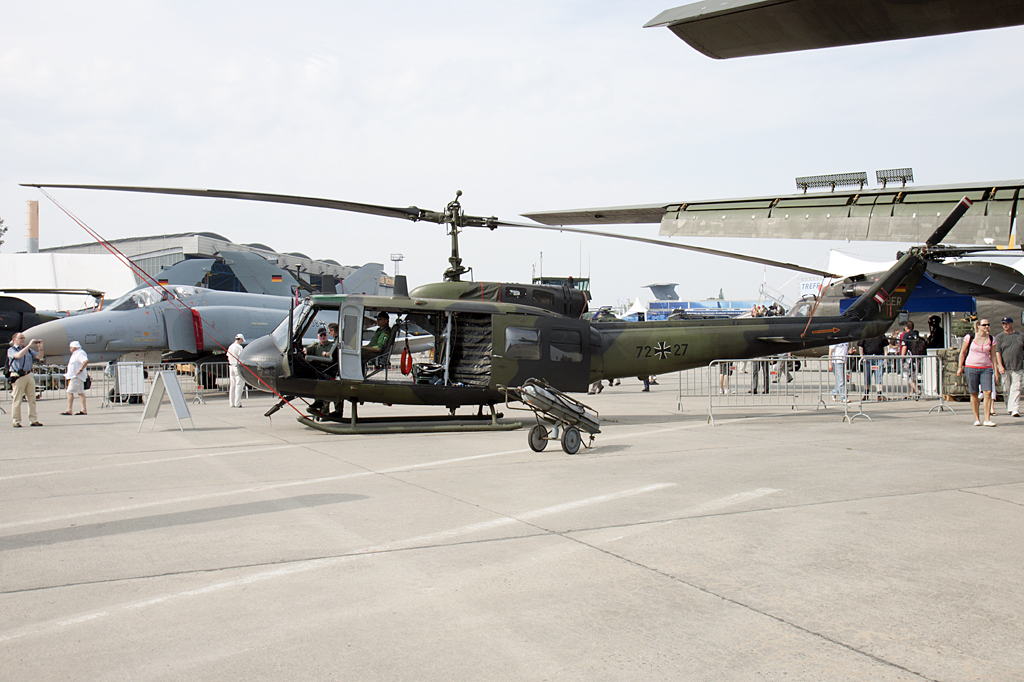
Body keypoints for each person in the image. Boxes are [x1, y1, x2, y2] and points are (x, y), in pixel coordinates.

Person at [957, 319, 1000, 426]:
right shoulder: (970, 337)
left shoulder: (991, 338)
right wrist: (959, 367)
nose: (986, 327)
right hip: (971, 366)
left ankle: (987, 419)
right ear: (978, 326)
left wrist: (996, 369)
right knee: (974, 393)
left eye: (988, 325)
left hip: (986, 367)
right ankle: (977, 418)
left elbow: (993, 355)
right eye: (984, 325)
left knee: (988, 392)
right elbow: (962, 352)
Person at [7, 332, 44, 427]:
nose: (23, 340)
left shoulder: (28, 350)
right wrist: (28, 345)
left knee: (32, 398)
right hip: (18, 376)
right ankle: (16, 420)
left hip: (28, 375)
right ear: (15, 339)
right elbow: (18, 356)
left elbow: (39, 357)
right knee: (17, 399)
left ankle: (33, 419)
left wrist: (40, 348)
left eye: (24, 338)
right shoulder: (11, 349)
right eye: (21, 338)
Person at [995, 316, 1023, 418]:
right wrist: (1000, 365)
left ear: (1012, 324)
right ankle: (1009, 406)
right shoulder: (1000, 337)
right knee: (1006, 388)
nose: (1005, 325)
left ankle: (1015, 409)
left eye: (1007, 323)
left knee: (1016, 388)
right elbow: (997, 352)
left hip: (1018, 366)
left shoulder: (1020, 336)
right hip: (1005, 366)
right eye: (1003, 324)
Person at [61, 341, 89, 415]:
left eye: (70, 347)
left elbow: (85, 361)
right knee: (81, 393)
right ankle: (84, 409)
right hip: (76, 376)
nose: (69, 349)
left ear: (74, 348)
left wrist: (80, 370)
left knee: (69, 392)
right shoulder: (75, 354)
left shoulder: (80, 353)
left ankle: (69, 409)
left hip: (77, 376)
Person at [857, 334, 887, 400]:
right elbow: (860, 346)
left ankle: (879, 394)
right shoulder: (866, 334)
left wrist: (885, 357)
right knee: (867, 377)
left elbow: (885, 346)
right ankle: (866, 394)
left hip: (878, 357)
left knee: (878, 376)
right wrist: (862, 356)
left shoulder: (881, 335)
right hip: (868, 357)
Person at [899, 320, 922, 399]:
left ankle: (917, 390)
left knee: (907, 376)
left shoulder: (906, 335)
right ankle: (911, 393)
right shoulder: (916, 334)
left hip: (909, 358)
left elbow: (904, 347)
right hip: (916, 357)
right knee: (913, 375)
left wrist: (902, 357)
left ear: (906, 327)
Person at [227, 333, 245, 408]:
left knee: (232, 386)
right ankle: (237, 403)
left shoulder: (230, 347)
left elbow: (228, 357)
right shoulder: (239, 347)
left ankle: (231, 403)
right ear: (240, 339)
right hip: (237, 367)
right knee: (239, 385)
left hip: (231, 366)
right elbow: (242, 357)